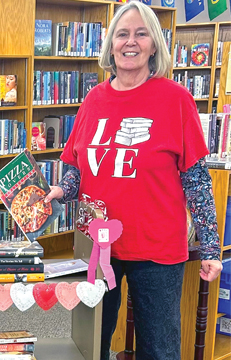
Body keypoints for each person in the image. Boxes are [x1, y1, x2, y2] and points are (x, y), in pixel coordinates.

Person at [43, 2, 222, 359]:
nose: (131, 42)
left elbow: (197, 182)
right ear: (110, 44)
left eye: (141, 34)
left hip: (157, 249)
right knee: (92, 343)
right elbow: (79, 167)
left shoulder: (177, 100)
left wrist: (211, 248)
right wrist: (61, 189)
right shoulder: (93, 100)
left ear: (154, 44)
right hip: (98, 247)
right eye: (122, 34)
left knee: (159, 348)